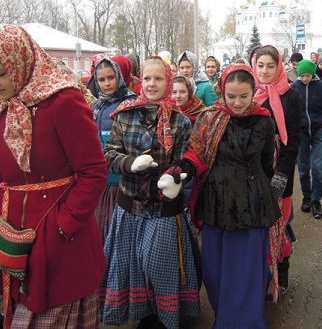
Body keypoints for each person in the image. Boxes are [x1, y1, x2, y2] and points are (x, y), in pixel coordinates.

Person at [0, 25, 108, 328]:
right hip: (11, 231)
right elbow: (1, 169)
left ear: (20, 62)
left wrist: (63, 225)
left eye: (0, 73)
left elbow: (94, 172)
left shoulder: (61, 100)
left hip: (59, 240)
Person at [174, 64, 280, 328]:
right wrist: (184, 168)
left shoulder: (264, 120)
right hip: (216, 202)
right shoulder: (210, 117)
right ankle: (225, 315)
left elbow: (268, 163)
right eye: (231, 96)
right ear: (222, 91)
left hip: (252, 204)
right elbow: (196, 152)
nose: (237, 102)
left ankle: (244, 322)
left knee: (245, 271)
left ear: (253, 92)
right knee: (215, 269)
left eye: (244, 96)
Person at [99, 56, 201, 329]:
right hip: (129, 206)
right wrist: (129, 163)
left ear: (168, 81)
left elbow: (184, 160)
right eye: (147, 78)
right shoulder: (124, 113)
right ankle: (144, 314)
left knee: (161, 266)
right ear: (139, 80)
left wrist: (176, 176)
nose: (152, 83)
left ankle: (164, 316)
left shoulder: (181, 122)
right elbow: (109, 154)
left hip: (163, 208)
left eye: (159, 78)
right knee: (133, 266)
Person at [252, 45, 302, 296]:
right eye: (260, 65)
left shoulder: (290, 96)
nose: (264, 71)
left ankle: (281, 266)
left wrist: (282, 173)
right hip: (253, 169)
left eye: (270, 66)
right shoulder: (249, 93)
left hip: (278, 166)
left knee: (279, 224)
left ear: (279, 66)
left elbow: (293, 140)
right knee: (258, 227)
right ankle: (261, 275)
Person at [91, 55, 136, 245]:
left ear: (119, 76)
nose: (107, 83)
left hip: (123, 180)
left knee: (121, 234)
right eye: (101, 79)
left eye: (111, 77)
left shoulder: (131, 103)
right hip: (102, 180)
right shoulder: (96, 106)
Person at [291, 60, 322, 220]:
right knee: (303, 167)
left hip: (318, 131)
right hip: (301, 133)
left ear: (313, 74)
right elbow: (288, 109)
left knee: (318, 167)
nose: (305, 79)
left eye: (308, 75)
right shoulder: (294, 89)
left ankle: (316, 200)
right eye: (302, 75)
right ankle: (307, 196)